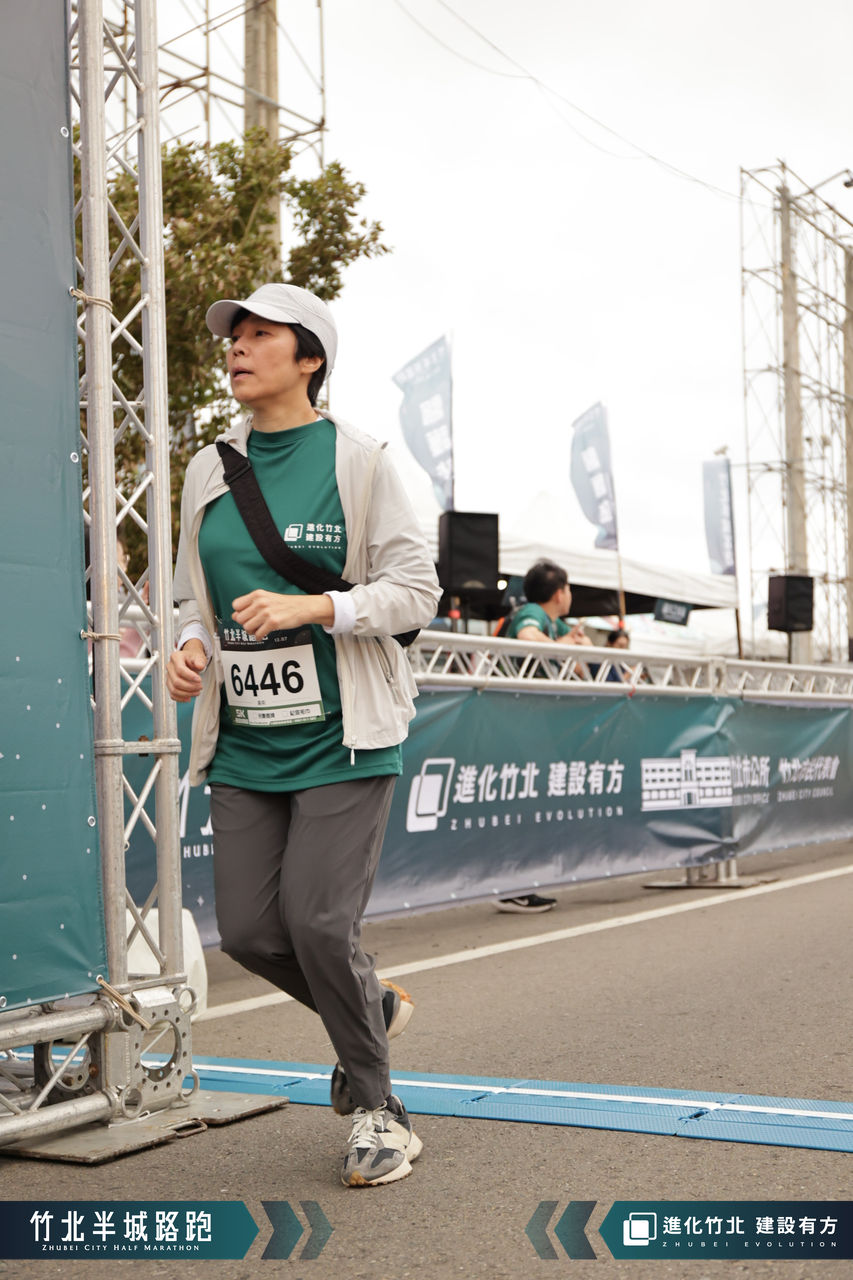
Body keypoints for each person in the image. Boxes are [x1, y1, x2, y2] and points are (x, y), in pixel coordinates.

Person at [167, 282, 441, 1187]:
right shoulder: (208, 469)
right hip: (245, 739)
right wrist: (191, 647)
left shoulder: (360, 461)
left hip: (342, 733)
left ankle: (379, 1111)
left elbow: (415, 591)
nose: (237, 347)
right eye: (233, 335)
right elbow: (189, 597)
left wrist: (317, 606)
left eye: (259, 335)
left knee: (320, 923)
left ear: (310, 358)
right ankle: (368, 1004)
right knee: (250, 932)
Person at [496, 559, 593, 915]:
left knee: (530, 800)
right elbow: (527, 638)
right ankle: (511, 885)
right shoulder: (533, 613)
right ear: (559, 593)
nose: (570, 595)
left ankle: (519, 883)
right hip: (515, 721)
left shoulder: (555, 622)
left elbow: (581, 659)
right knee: (521, 802)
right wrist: (566, 642)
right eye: (568, 589)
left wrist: (575, 642)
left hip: (530, 723)